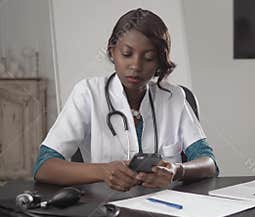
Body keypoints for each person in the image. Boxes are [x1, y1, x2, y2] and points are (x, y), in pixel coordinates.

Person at [33, 8, 218, 192]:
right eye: (127, 54)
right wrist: (102, 171)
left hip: (164, 208)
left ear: (159, 62)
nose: (136, 66)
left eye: (149, 58)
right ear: (112, 52)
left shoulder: (173, 97)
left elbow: (209, 163)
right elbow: (44, 166)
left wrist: (177, 170)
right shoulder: (88, 93)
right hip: (106, 209)